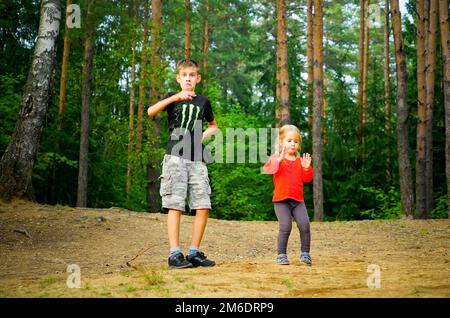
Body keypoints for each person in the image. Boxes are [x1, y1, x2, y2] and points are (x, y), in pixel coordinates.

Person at [147, 58, 218, 269]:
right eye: (184, 75)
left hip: (197, 159)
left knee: (203, 203)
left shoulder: (203, 101)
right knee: (175, 204)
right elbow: (151, 111)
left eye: (192, 75)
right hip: (175, 157)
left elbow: (214, 126)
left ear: (197, 78)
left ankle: (194, 252)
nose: (188, 78)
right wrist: (175, 97)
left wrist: (202, 135)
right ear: (179, 78)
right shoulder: (172, 97)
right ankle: (175, 254)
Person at [263, 124, 313, 266]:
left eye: (296, 141)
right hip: (281, 201)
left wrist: (306, 167)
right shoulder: (276, 158)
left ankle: (305, 254)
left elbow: (307, 179)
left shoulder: (300, 161)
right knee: (285, 226)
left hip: (298, 201)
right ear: (281, 142)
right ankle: (281, 255)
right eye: (289, 140)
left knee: (304, 225)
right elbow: (268, 170)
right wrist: (277, 162)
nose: (293, 144)